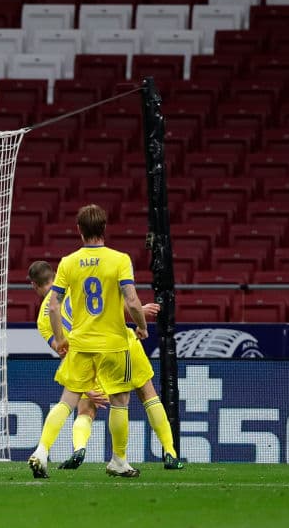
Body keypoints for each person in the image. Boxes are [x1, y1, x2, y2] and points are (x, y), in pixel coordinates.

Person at [28, 205, 183, 479]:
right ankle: (121, 460)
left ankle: (42, 450)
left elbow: (53, 307)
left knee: (67, 402)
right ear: (104, 228)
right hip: (114, 343)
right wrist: (142, 326)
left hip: (81, 343)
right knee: (121, 401)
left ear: (79, 230)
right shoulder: (119, 259)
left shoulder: (68, 262)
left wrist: (62, 340)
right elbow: (132, 301)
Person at [28, 260, 162, 471]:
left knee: (81, 408)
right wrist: (137, 311)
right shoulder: (76, 286)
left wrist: (86, 387)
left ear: (34, 286)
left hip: (81, 359)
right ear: (54, 275)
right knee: (123, 402)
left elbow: (63, 352)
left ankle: (62, 449)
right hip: (108, 349)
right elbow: (107, 306)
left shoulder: (43, 319)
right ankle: (123, 459)